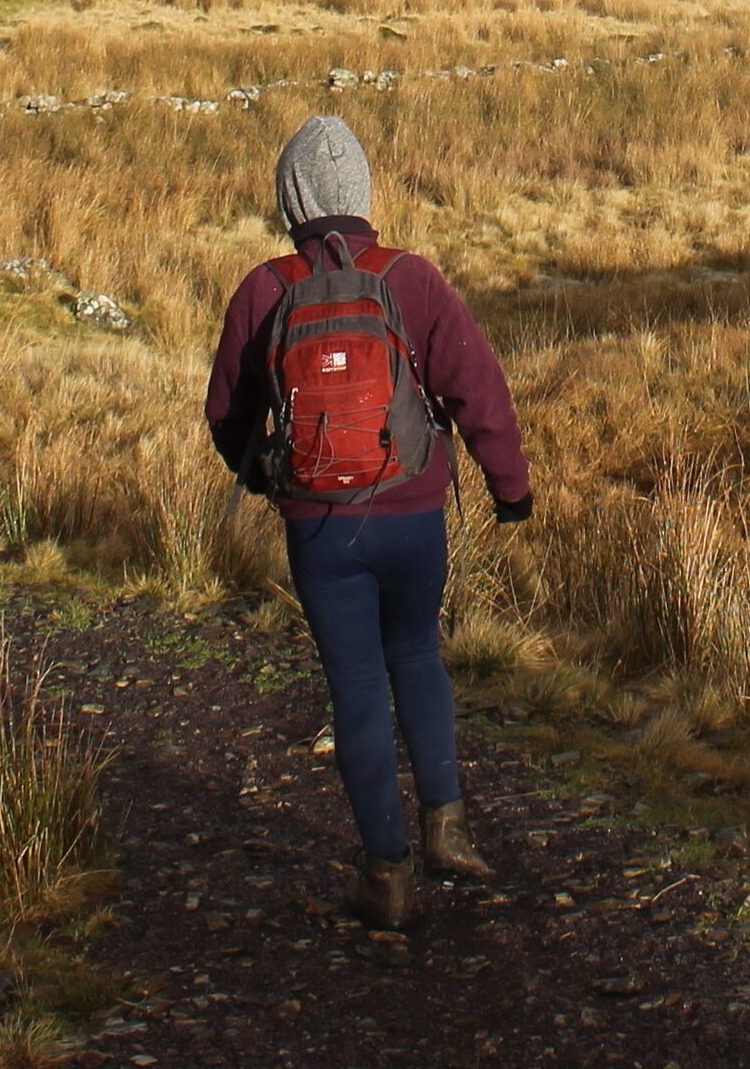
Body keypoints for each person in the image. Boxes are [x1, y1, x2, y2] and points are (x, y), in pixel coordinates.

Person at [205, 115, 531, 928]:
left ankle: (385, 875)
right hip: (415, 513)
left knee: (354, 687)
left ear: (292, 199)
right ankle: (447, 826)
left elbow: (226, 416)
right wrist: (509, 488)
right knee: (419, 653)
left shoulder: (265, 288)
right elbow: (477, 390)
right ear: (361, 192)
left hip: (320, 527)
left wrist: (274, 477)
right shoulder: (411, 279)